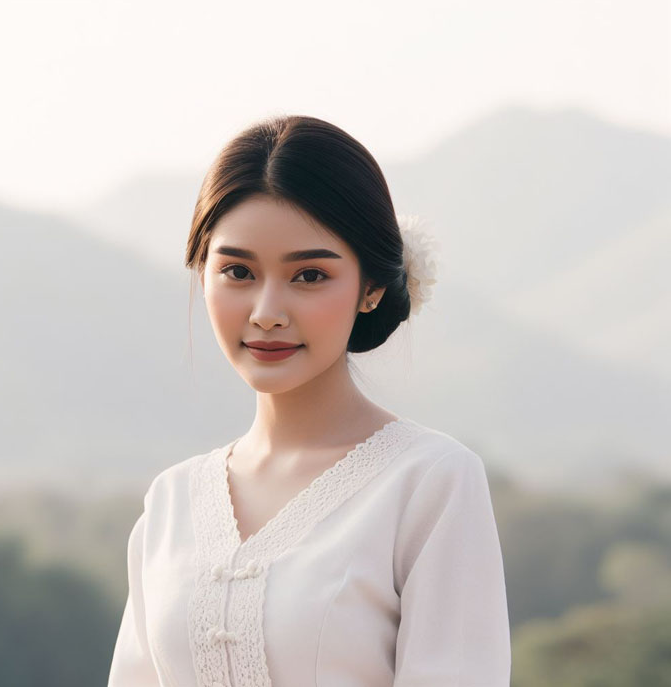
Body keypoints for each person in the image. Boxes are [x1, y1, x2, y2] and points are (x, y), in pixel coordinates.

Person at [107, 114, 511, 687]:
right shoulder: (172, 503)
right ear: (204, 276)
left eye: (310, 276)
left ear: (371, 287)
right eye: (238, 271)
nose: (267, 311)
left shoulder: (430, 482)